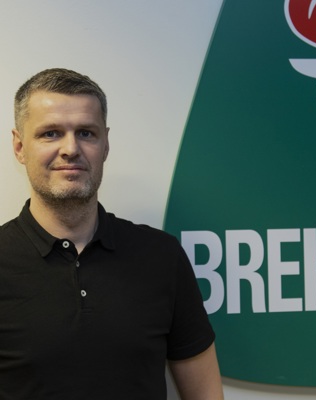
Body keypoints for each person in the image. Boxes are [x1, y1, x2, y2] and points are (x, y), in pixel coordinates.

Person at [0, 68, 224, 399]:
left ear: (105, 144)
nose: (70, 148)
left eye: (86, 133)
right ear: (19, 146)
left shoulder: (161, 256)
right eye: (51, 133)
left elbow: (206, 394)